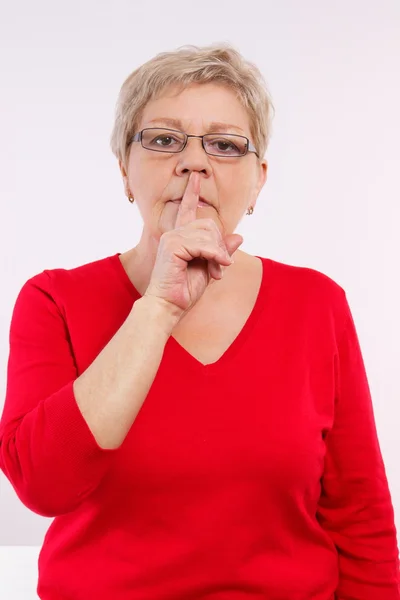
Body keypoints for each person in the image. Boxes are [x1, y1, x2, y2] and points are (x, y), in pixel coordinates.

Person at [0, 42, 399, 600]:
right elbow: (44, 486)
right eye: (163, 140)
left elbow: (360, 517)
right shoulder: (54, 299)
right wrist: (158, 307)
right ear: (124, 171)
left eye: (224, 144)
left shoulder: (317, 302)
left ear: (258, 179)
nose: (194, 162)